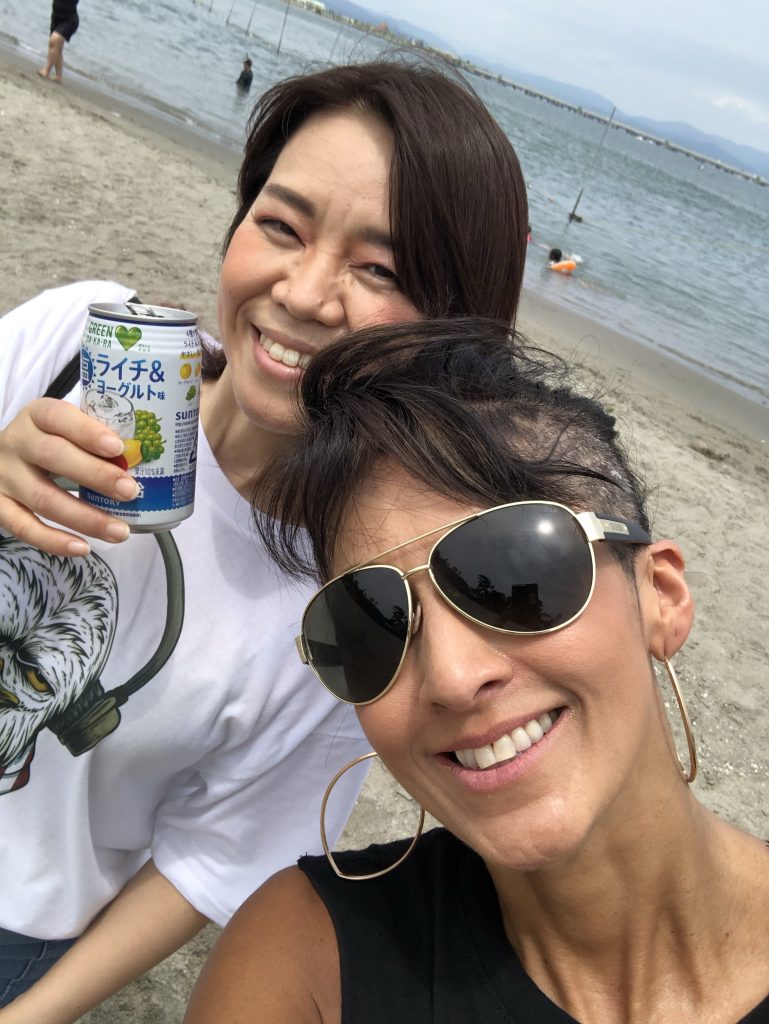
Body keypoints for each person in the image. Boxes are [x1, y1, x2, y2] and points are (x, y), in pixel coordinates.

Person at [0, 58, 528, 1019]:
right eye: (281, 225)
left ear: (452, 332)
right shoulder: (71, 341)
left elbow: (211, 857)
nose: (307, 293)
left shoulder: (360, 604)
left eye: (380, 270)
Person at [184, 320, 769, 1023]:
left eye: (515, 576)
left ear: (660, 597)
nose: (453, 678)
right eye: (370, 623)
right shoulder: (303, 959)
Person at [37, 0, 80, 83]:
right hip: (56, 17)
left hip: (70, 21)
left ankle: (46, 71)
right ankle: (59, 76)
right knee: (57, 47)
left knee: (54, 40)